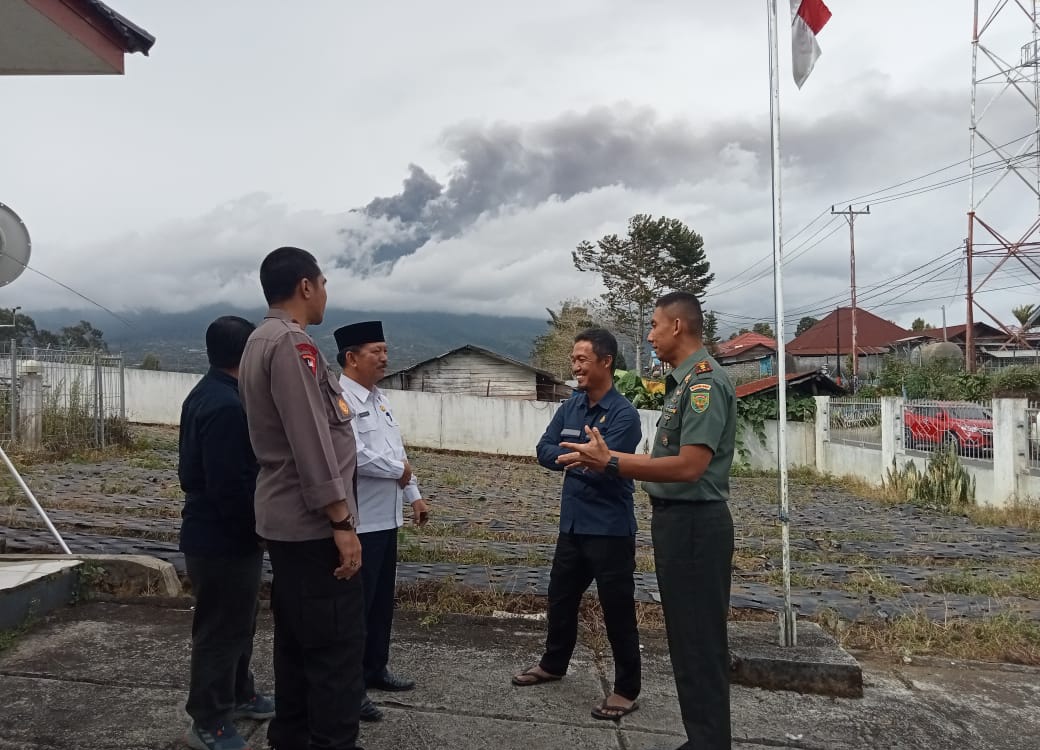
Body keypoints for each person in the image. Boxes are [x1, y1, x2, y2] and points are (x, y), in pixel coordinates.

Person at [558, 292, 737, 750]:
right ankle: (704, 739)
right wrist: (609, 458)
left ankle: (709, 743)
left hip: (694, 525)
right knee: (688, 638)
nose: (650, 336)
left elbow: (689, 466)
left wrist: (611, 462)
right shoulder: (683, 383)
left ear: (677, 327)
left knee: (698, 641)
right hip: (679, 523)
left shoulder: (703, 384)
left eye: (654, 326)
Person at [238, 246, 365, 750]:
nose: (326, 293)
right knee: (336, 648)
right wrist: (341, 520)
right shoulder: (293, 345)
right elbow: (310, 437)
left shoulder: (258, 339)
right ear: (306, 287)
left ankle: (290, 737)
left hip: (285, 517)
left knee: (297, 640)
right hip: (312, 522)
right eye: (324, 283)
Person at [512, 328, 643, 722]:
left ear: (606, 362)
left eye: (582, 359)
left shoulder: (624, 415)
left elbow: (607, 468)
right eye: (574, 360)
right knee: (560, 598)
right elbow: (543, 449)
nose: (575, 366)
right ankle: (554, 664)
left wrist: (583, 461)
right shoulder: (570, 407)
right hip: (572, 525)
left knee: (616, 608)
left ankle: (625, 690)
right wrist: (580, 458)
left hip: (610, 529)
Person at [179, 315, 275, 750]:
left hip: (214, 534)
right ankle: (209, 719)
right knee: (220, 630)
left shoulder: (208, 393)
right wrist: (256, 532)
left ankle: (240, 693)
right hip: (223, 538)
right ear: (247, 354)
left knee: (239, 623)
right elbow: (229, 486)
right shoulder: (227, 406)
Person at [333, 320, 430, 723]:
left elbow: (398, 453)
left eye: (386, 350)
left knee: (379, 606)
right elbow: (352, 454)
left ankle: (375, 669)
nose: (385, 358)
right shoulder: (340, 400)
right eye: (376, 351)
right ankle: (349, 689)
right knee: (353, 611)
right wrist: (398, 473)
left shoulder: (381, 399)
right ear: (351, 358)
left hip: (386, 520)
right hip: (358, 524)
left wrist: (415, 496)